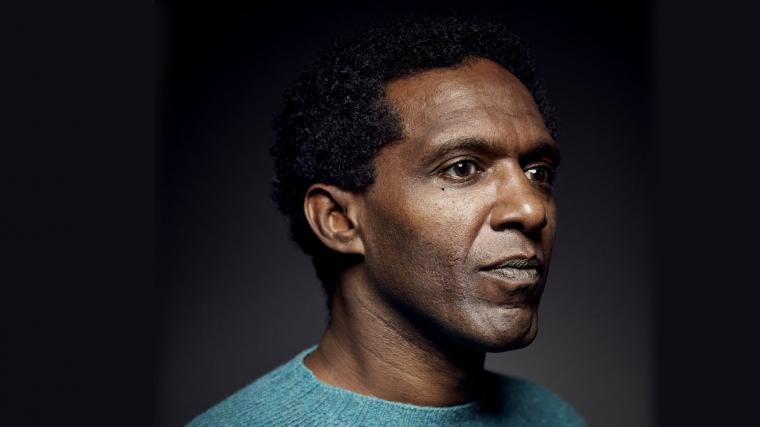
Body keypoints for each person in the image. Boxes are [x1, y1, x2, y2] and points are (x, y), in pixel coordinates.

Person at [189, 16, 585, 426]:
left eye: (538, 173)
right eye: (462, 168)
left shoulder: (553, 418)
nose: (531, 209)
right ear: (338, 220)